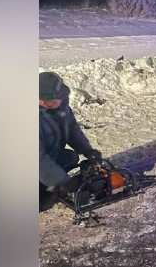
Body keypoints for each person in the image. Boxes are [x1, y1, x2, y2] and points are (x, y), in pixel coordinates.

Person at [39, 72, 102, 211]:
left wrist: (87, 151)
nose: (60, 100)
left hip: (47, 157)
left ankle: (50, 184)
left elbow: (73, 131)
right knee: (41, 203)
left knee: (70, 157)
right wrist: (62, 181)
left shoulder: (61, 108)